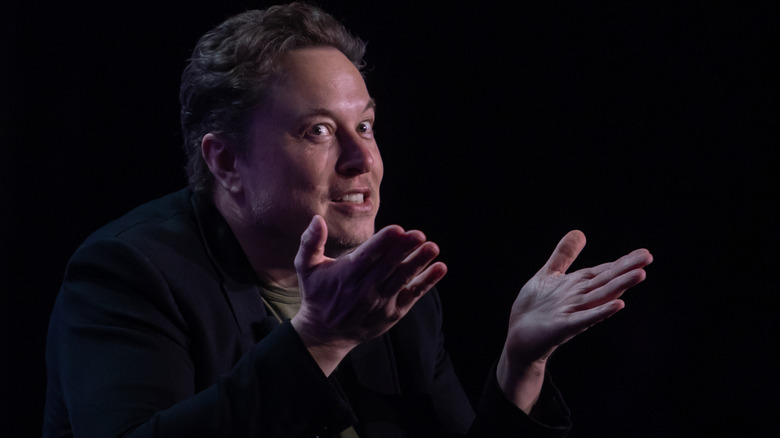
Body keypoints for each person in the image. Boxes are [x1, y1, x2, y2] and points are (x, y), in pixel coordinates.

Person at [43, 3, 653, 437]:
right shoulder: (129, 272)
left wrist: (522, 364)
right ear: (226, 160)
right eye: (318, 131)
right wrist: (318, 340)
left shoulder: (390, 285)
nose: (363, 159)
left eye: (364, 126)